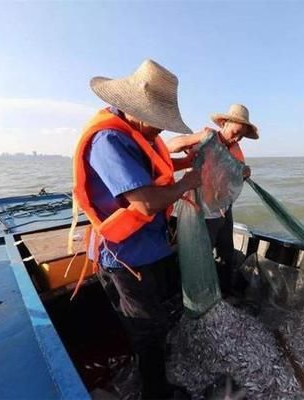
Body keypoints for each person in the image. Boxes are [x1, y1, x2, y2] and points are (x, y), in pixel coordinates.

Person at [71, 59, 205, 398]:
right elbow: (144, 202)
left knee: (147, 320)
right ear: (133, 108)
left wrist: (189, 161)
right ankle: (156, 392)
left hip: (145, 247)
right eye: (158, 122)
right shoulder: (107, 140)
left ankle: (147, 363)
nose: (162, 130)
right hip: (124, 255)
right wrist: (186, 183)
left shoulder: (136, 133)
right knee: (147, 328)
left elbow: (153, 164)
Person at [207, 104, 259, 294]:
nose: (237, 138)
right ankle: (205, 292)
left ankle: (225, 292)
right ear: (224, 123)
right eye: (235, 132)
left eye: (241, 136)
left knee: (226, 252)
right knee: (203, 254)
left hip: (224, 209)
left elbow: (234, 180)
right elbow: (174, 147)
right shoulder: (206, 140)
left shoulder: (235, 150)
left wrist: (242, 172)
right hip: (204, 212)